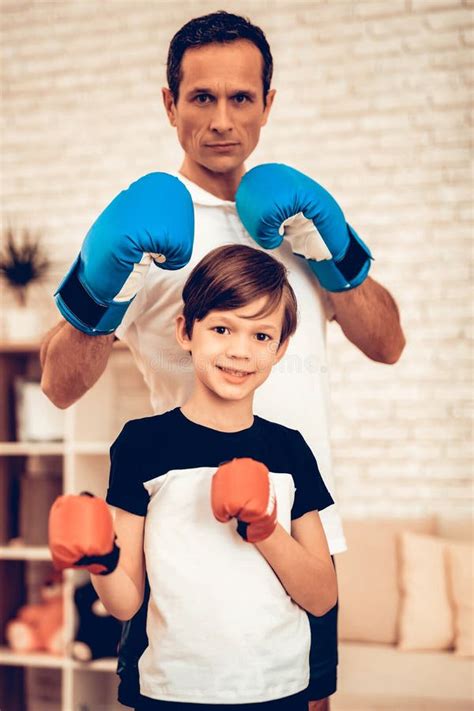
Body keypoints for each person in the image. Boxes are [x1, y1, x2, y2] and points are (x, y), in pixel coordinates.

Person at [40, 11, 406, 711]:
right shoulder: (151, 220)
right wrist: (109, 279)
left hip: (300, 530)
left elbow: (387, 343)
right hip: (181, 542)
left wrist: (330, 248)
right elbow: (59, 385)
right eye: (201, 97)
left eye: (241, 98)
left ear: (269, 103)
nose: (221, 121)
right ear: (169, 102)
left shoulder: (302, 217)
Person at [49, 244, 339, 711]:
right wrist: (99, 559)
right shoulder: (142, 444)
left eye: (261, 336)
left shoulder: (289, 449)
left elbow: (323, 596)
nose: (240, 351)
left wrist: (265, 529)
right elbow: (126, 602)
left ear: (281, 347)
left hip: (277, 687)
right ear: (186, 331)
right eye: (222, 328)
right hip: (170, 690)